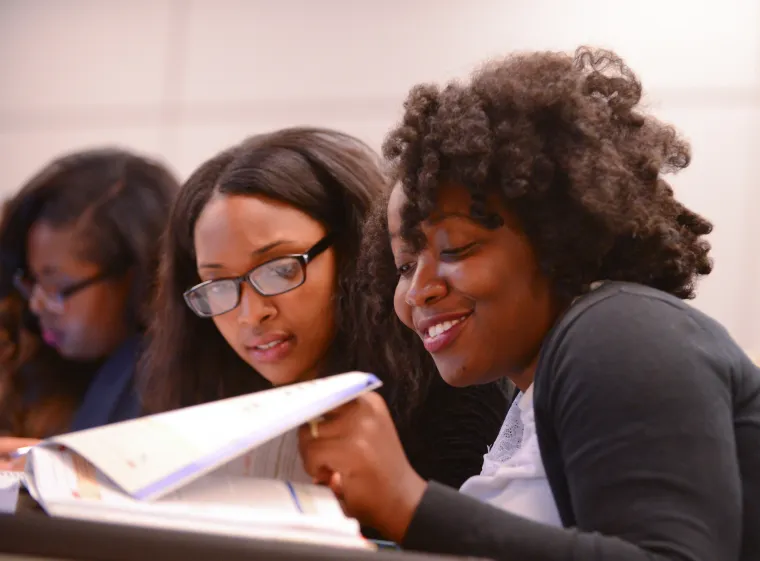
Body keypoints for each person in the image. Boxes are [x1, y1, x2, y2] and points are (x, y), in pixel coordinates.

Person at [297, 48, 760, 560]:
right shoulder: (533, 394)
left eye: (457, 249)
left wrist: (409, 505)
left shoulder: (620, 329)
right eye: (405, 265)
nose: (418, 290)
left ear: (558, 237)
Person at [139, 127, 509, 491]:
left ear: (357, 251)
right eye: (218, 285)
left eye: (280, 270)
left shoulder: (453, 385)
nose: (251, 314)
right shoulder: (206, 397)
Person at [0, 148, 178, 465]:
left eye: (57, 286)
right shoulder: (24, 345)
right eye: (32, 280)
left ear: (138, 277)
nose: (37, 305)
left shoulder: (164, 373)